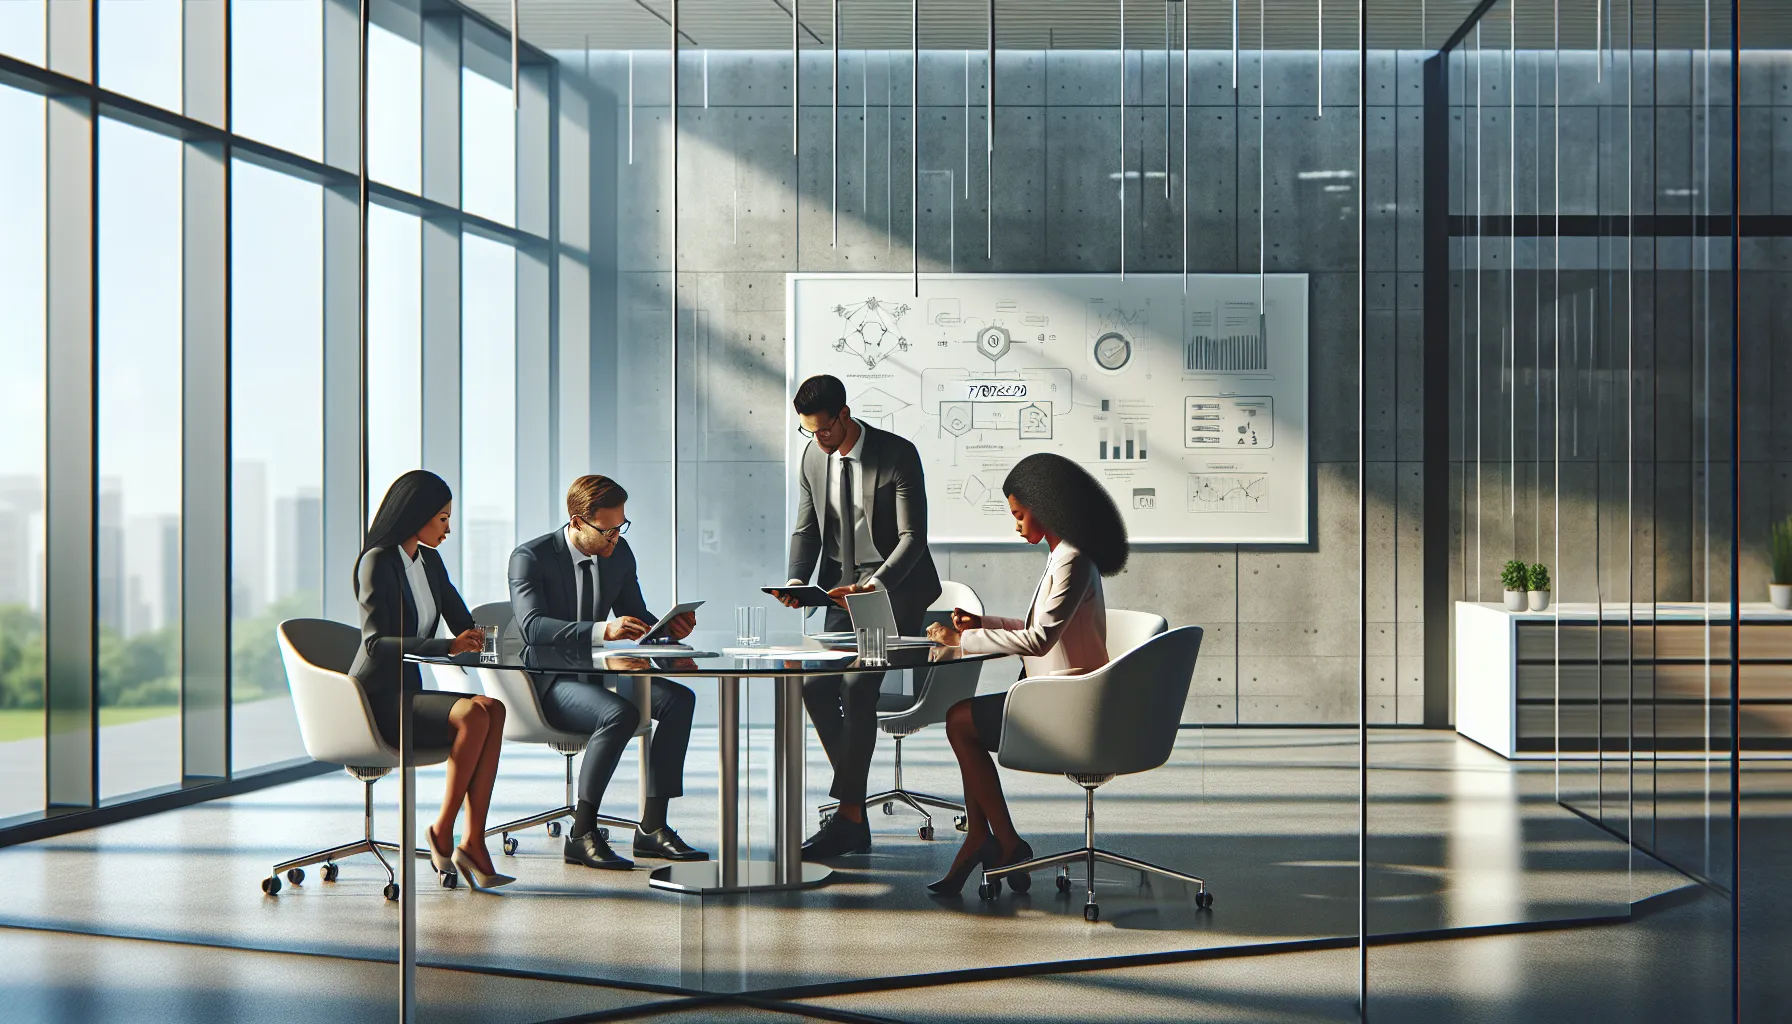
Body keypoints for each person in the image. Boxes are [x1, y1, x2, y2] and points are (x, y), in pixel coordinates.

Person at [923, 453, 1130, 895]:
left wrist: (962, 642)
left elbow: (1039, 641)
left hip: (1069, 706)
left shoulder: (1072, 559)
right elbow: (1040, 628)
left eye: (1019, 514)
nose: (1015, 524)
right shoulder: (1064, 555)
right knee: (962, 721)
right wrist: (982, 625)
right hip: (1059, 696)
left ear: (1046, 506)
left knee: (960, 721)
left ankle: (1001, 842)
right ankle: (987, 839)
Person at [778, 374, 942, 859]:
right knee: (814, 686)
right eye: (808, 432)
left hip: (893, 588)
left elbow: (915, 538)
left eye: (823, 430)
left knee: (856, 686)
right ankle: (853, 811)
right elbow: (807, 530)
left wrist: (874, 586)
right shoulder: (813, 457)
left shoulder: (896, 454)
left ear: (844, 416)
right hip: (841, 589)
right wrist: (795, 581)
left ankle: (849, 816)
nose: (817, 440)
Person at [508, 474, 707, 870]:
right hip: (549, 683)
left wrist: (667, 631)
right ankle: (581, 833)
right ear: (578, 522)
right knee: (620, 714)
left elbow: (634, 615)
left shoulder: (618, 553)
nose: (616, 536)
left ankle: (652, 827)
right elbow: (533, 628)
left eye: (621, 526)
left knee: (679, 701)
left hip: (601, 675)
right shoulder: (531, 557)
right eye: (608, 529)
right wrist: (603, 631)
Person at [350, 470, 513, 890]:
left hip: (411, 691)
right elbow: (374, 644)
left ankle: (473, 840)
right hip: (376, 698)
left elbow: (462, 621)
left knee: (493, 707)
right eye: (441, 518)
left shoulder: (431, 562)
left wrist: (483, 636)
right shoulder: (376, 562)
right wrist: (448, 647)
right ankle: (444, 832)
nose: (448, 527)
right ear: (416, 515)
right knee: (474, 716)